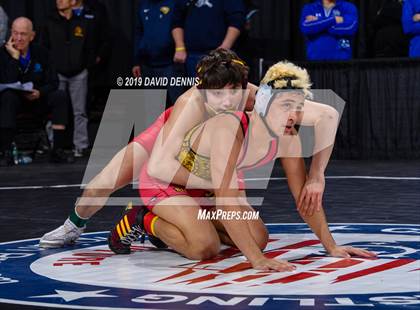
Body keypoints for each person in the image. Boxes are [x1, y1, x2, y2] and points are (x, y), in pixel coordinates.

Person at [106, 60, 375, 271]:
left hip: (207, 187)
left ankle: (183, 225)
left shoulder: (288, 137)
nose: (293, 116)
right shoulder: (229, 127)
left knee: (256, 237)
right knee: (204, 247)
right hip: (168, 182)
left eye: (298, 107)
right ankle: (142, 218)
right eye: (285, 106)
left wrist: (331, 246)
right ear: (264, 104)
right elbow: (226, 199)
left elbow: (303, 198)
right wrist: (256, 260)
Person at [39, 48, 255, 247]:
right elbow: (161, 165)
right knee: (103, 184)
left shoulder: (246, 91)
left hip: (197, 148)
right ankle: (73, 225)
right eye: (218, 91)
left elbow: (281, 106)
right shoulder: (191, 103)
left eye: (234, 90)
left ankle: (174, 229)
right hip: (165, 138)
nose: (228, 99)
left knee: (235, 232)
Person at [0, 17, 73, 166]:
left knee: (59, 96)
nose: (19, 38)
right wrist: (14, 58)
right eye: (15, 33)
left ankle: (58, 150)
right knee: (8, 97)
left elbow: (53, 82)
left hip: (37, 99)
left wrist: (40, 92)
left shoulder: (42, 53)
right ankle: (6, 151)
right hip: (14, 102)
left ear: (32, 36)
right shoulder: (2, 54)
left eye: (23, 34)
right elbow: (7, 81)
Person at [42, 0, 96, 157]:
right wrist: (51, 70)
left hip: (79, 73)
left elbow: (89, 47)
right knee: (55, 109)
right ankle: (54, 144)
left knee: (80, 112)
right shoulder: (49, 21)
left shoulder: (82, 21)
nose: (59, 1)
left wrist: (85, 65)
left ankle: (80, 145)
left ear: (73, 2)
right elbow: (44, 48)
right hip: (57, 74)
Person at [172, 0, 245, 77]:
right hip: (190, 55)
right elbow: (176, 22)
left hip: (218, 55)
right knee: (193, 87)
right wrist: (179, 48)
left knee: (218, 87)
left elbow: (237, 21)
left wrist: (224, 48)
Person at [132, 0, 183, 106]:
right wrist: (136, 61)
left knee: (178, 105)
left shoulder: (174, 3)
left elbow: (180, 28)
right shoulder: (143, 5)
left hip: (171, 64)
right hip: (148, 65)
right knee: (152, 108)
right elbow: (138, 33)